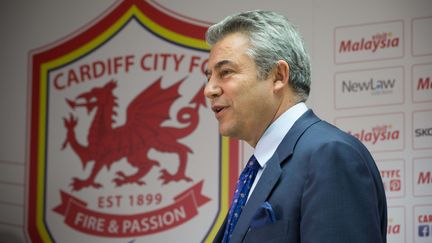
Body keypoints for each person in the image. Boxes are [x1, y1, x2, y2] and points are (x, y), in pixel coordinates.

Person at [204, 10, 387, 243]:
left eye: (225, 72)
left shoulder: (329, 155)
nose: (209, 90)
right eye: (208, 76)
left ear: (278, 76)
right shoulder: (261, 168)